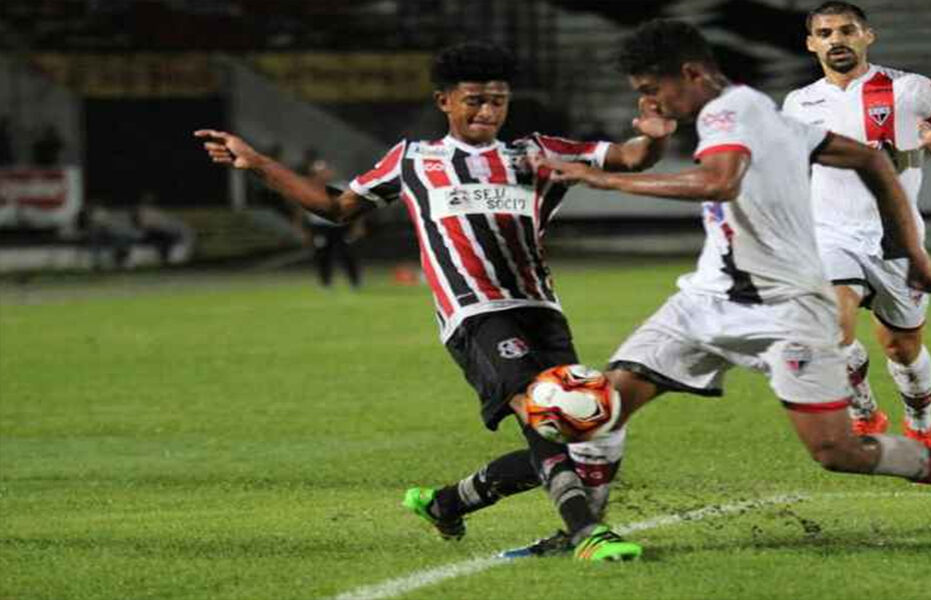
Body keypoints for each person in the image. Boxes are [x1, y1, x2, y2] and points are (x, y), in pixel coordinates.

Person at [534, 19, 931, 554]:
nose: (651, 102)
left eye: (651, 90)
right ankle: (584, 532)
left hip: (786, 308)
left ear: (688, 73)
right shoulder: (765, 109)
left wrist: (602, 178)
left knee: (837, 450)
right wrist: (912, 251)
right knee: (603, 405)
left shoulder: (727, 111)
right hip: (706, 299)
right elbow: (870, 158)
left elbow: (719, 181)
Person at [195, 41, 676, 561]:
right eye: (474, 100)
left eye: (497, 101)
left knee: (577, 431)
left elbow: (627, 157)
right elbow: (335, 206)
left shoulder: (534, 153)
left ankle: (447, 504)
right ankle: (584, 535)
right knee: (541, 413)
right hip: (473, 313)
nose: (487, 111)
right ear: (444, 100)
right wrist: (259, 163)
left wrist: (652, 138)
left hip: (541, 309)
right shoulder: (413, 160)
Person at [781, 2, 931, 447]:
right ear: (812, 43)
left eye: (846, 30)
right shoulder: (799, 103)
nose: (837, 39)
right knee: (832, 328)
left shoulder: (911, 89)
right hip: (829, 233)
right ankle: (864, 412)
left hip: (896, 239)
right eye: (826, 32)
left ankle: (920, 420)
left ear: (866, 36)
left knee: (902, 349)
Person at [295, 159, 364, 290]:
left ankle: (354, 281)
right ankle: (325, 282)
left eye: (325, 171)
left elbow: (356, 208)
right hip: (320, 227)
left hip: (342, 226)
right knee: (322, 255)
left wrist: (358, 226)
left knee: (347, 253)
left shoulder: (342, 187)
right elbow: (300, 210)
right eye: (320, 172)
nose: (324, 175)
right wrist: (302, 229)